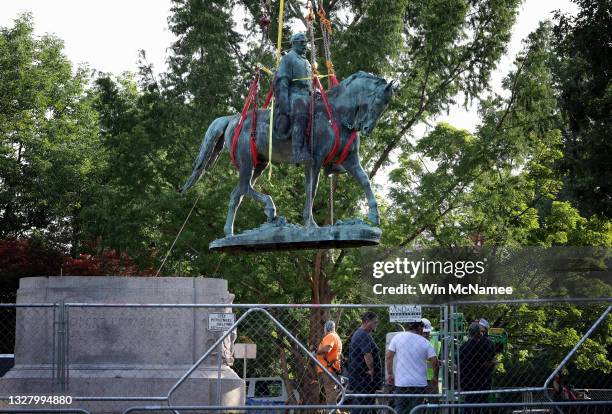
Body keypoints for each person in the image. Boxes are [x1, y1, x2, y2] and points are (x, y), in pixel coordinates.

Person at [274, 32, 312, 163]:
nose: (305, 45)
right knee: (301, 113)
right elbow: (282, 82)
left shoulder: (306, 61)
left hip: (307, 94)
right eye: (302, 42)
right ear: (294, 43)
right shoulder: (288, 58)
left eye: (305, 42)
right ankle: (297, 152)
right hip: (294, 94)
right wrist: (283, 104)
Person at [386, 320, 438, 414]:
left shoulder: (398, 337)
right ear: (420, 328)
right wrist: (435, 377)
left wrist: (390, 374)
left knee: (400, 409)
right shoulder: (424, 342)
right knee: (416, 409)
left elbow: (389, 357)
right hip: (419, 383)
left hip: (401, 382)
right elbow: (434, 361)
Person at [347, 311, 382, 413]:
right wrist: (371, 370)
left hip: (361, 378)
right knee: (361, 405)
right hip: (363, 379)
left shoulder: (361, 333)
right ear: (366, 322)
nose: (377, 324)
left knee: (365, 406)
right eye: (374, 322)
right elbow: (367, 354)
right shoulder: (363, 334)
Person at [459, 323, 495, 413]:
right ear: (479, 333)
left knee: (468, 402)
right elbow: (485, 363)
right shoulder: (483, 346)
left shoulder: (463, 347)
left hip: (466, 380)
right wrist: (493, 363)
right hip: (481, 380)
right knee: (480, 404)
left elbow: (458, 363)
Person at [316, 320, 343, 404]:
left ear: (326, 328)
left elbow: (327, 348)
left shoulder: (330, 336)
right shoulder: (337, 337)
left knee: (330, 396)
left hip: (328, 370)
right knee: (329, 395)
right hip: (330, 370)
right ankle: (331, 410)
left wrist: (316, 352)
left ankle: (332, 411)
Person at [420, 318, 441, 393]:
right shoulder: (415, 342)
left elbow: (439, 360)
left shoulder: (437, 343)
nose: (425, 335)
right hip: (419, 377)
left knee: (433, 402)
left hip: (431, 378)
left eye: (427, 333)